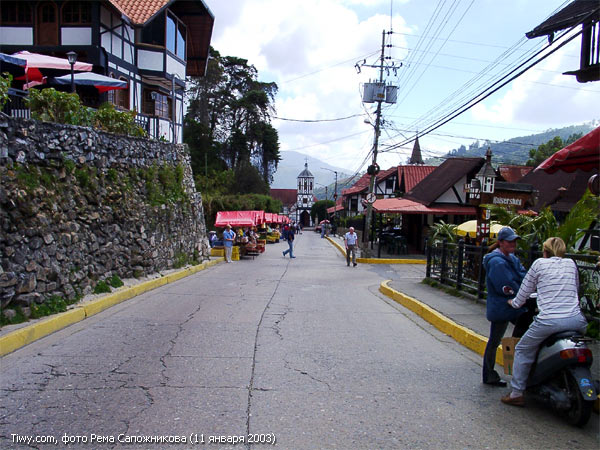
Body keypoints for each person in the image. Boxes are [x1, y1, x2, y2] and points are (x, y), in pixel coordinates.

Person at [501, 237, 587, 406]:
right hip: (577, 320)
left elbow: (524, 291)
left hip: (549, 321)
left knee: (523, 349)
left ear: (545, 251)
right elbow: (575, 290)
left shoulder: (539, 263)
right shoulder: (571, 263)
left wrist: (514, 303)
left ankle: (517, 392)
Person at [481, 226, 531, 387]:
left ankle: (519, 370)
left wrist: (520, 287)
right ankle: (489, 374)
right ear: (501, 242)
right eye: (510, 241)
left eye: (514, 241)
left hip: (515, 304)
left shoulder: (512, 258)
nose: (513, 244)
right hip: (503, 306)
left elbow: (524, 276)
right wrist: (521, 289)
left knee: (523, 334)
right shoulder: (497, 262)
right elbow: (506, 286)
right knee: (495, 340)